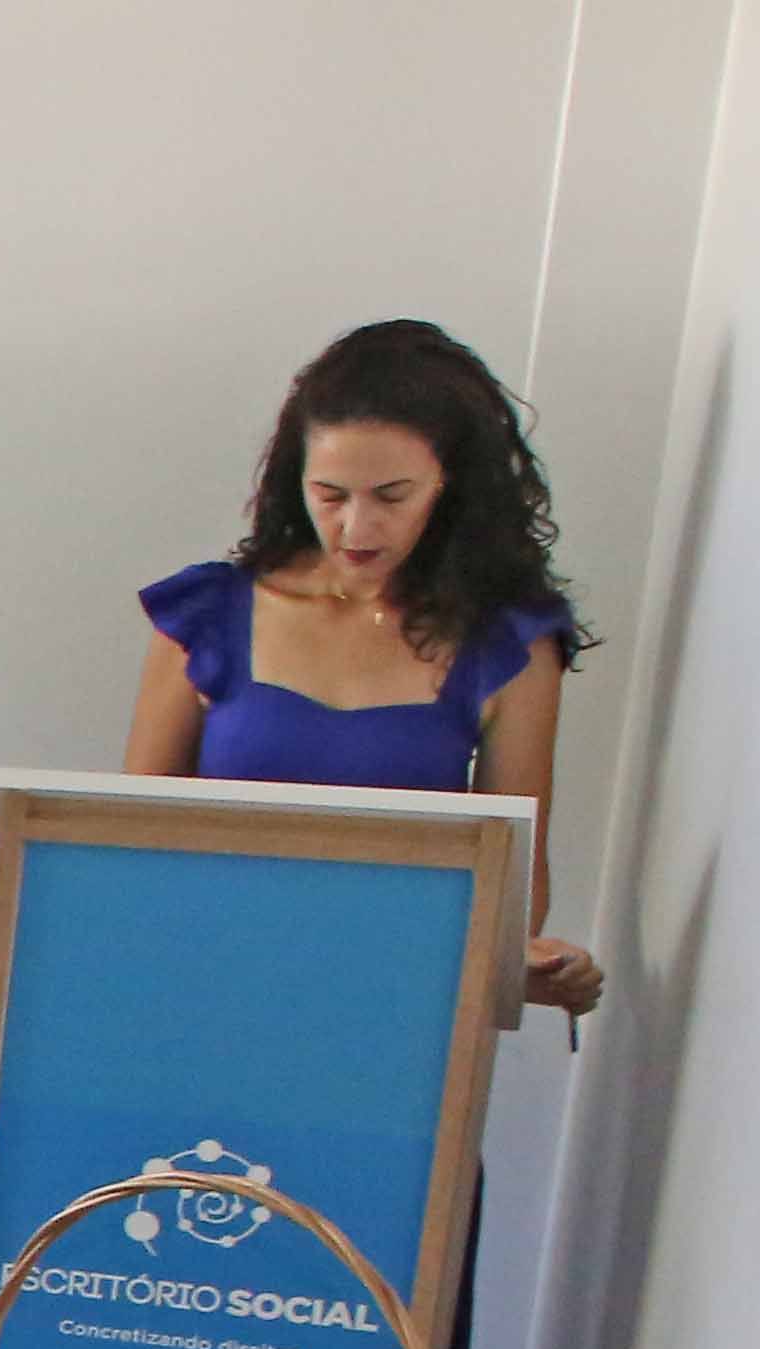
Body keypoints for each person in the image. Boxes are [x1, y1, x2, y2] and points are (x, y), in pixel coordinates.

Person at [127, 319, 605, 1011]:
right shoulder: (205, 617)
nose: (356, 529)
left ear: (449, 486)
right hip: (198, 986)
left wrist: (541, 970)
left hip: (390, 1007)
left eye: (391, 497)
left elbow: (512, 902)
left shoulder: (509, 646)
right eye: (330, 494)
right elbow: (124, 849)